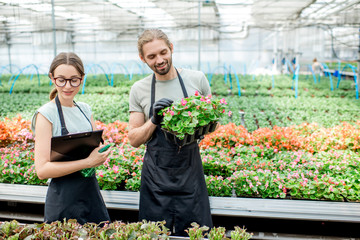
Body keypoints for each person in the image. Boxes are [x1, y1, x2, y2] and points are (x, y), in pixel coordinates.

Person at [128, 29, 213, 236]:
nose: (159, 60)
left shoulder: (197, 79)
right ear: (143, 59)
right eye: (151, 56)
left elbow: (214, 121)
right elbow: (134, 139)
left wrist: (202, 125)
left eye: (163, 52)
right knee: (154, 234)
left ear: (171, 48)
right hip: (155, 178)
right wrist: (154, 120)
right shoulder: (139, 89)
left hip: (190, 174)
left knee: (196, 233)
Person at [31, 52, 111, 225]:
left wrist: (100, 153)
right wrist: (88, 162)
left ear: (82, 79)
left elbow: (93, 150)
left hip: (90, 192)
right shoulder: (46, 115)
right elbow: (42, 170)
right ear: (52, 78)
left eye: (73, 80)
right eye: (61, 79)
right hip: (63, 199)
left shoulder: (85, 109)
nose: (67, 86)